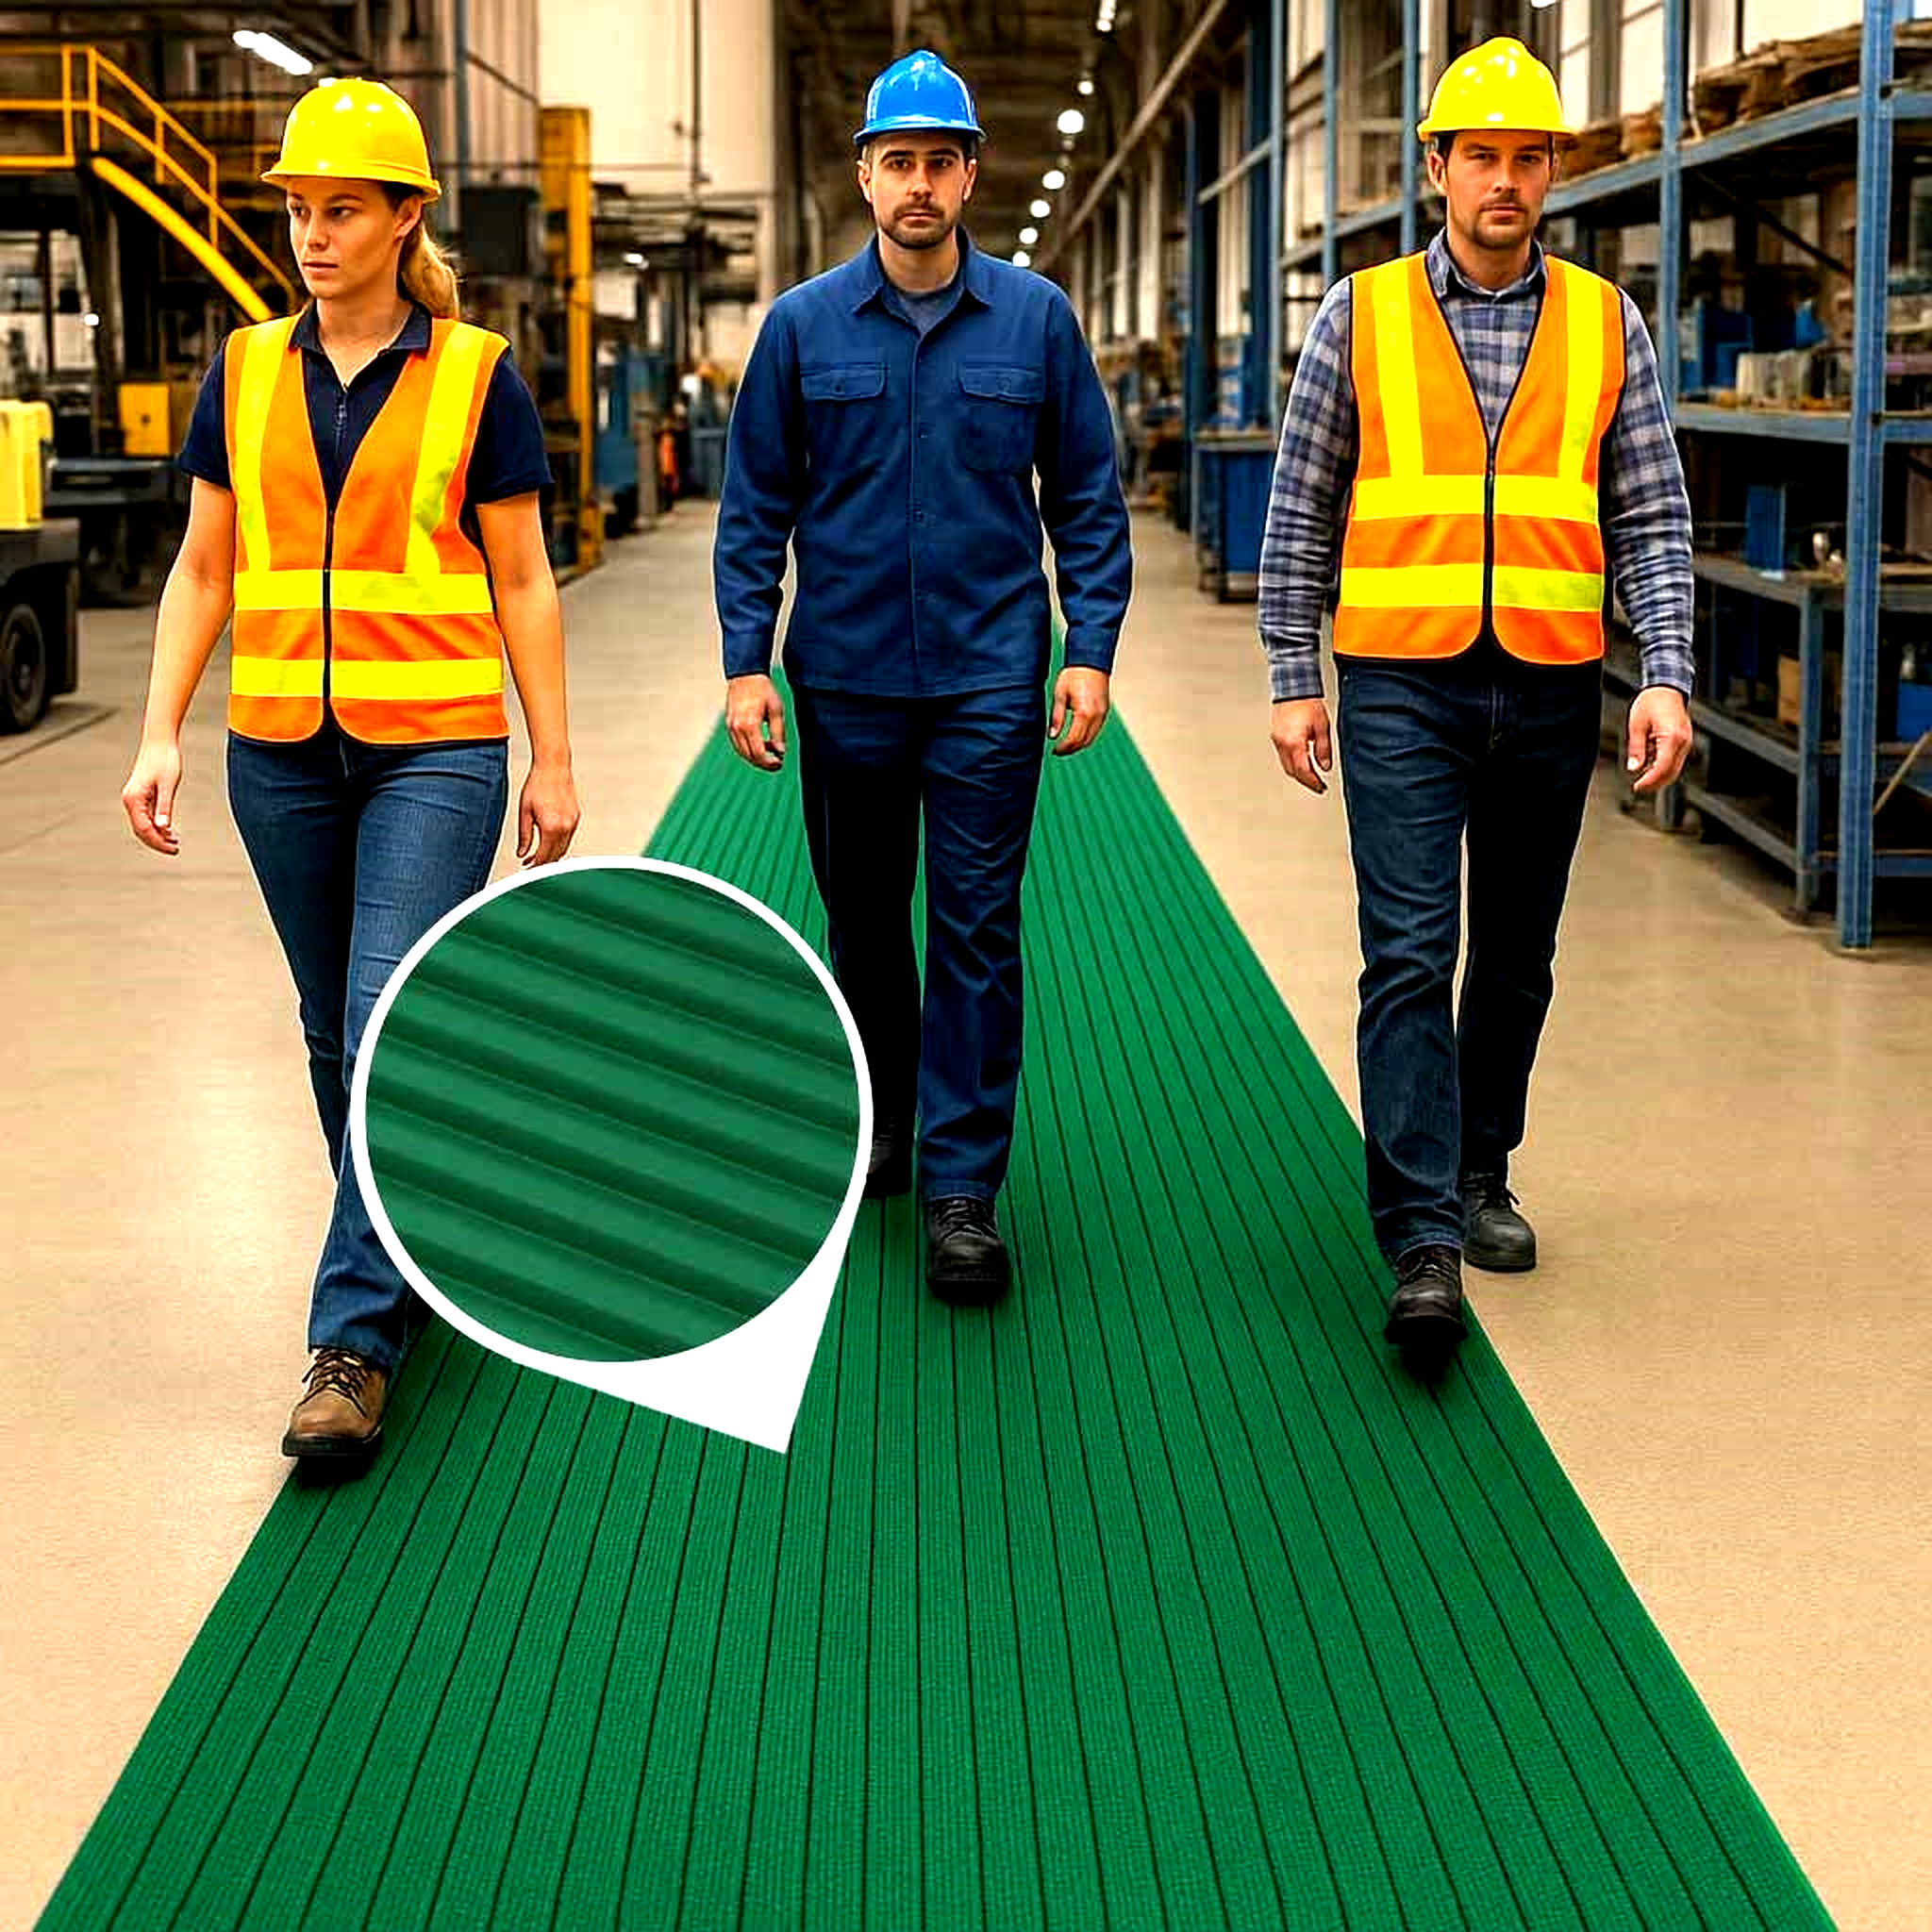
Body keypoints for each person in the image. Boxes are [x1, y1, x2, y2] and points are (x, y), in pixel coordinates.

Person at [119, 78, 580, 1463]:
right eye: (300, 209)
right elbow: (206, 565)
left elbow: (523, 576)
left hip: (436, 746)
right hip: (281, 756)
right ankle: (406, 1227)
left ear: (403, 219)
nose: (312, 235)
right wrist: (159, 730)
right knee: (332, 1029)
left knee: (385, 1009)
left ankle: (353, 1339)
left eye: (341, 209)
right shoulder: (245, 367)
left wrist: (551, 755)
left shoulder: (478, 372)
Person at [1257, 38, 1693, 1368]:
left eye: (1528, 157)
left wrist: (1666, 668)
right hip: (1400, 677)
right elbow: (1302, 501)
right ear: (1435, 167)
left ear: (1549, 173)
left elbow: (1654, 513)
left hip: (1554, 682)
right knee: (1406, 955)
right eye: (1481, 156)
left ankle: (1483, 1166)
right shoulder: (1363, 311)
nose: (1505, 180)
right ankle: (1422, 1236)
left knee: (1514, 956)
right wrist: (1293, 676)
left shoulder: (1604, 320)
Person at [714, 49, 1131, 1305]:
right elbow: (754, 512)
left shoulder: (1035, 321)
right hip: (842, 682)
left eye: (940, 162)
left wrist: (1091, 648)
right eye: (898, 161)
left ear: (968, 178)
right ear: (865, 175)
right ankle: (886, 1120)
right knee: (861, 923)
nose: (919, 185)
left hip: (989, 679)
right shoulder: (798, 332)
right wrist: (746, 663)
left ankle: (961, 1188)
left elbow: (1091, 501)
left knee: (976, 928)